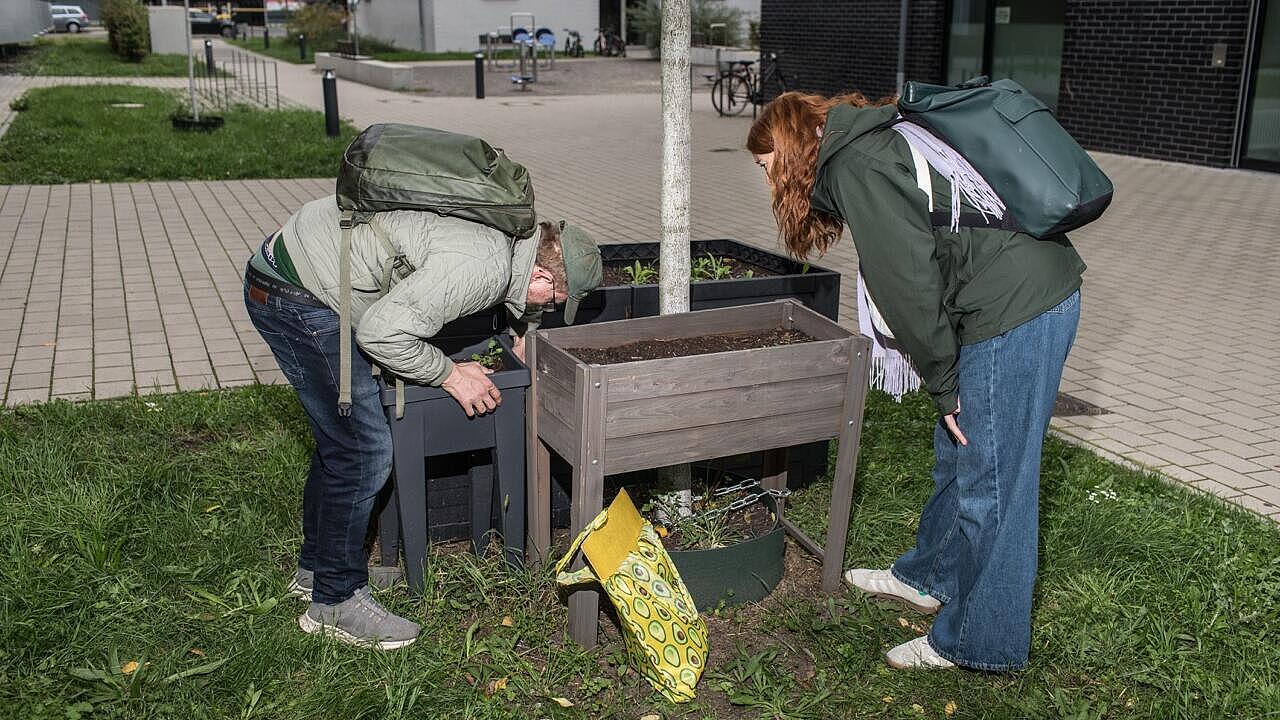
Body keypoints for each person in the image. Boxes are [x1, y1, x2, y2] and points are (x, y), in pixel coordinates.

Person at [747, 91, 1084, 671]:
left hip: (1019, 308)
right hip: (1003, 298)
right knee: (957, 456)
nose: (764, 174)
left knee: (994, 487)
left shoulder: (857, 165)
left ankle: (979, 642)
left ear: (791, 147)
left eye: (765, 161)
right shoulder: (864, 144)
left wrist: (944, 383)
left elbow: (908, 284)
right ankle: (930, 576)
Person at [243, 196, 602, 650]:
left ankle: (318, 570)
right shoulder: (481, 269)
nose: (549, 308)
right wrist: (453, 376)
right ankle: (335, 602)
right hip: (296, 296)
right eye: (553, 300)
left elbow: (488, 287)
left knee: (342, 439)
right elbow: (381, 333)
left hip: (295, 261)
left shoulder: (516, 236)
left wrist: (523, 332)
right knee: (364, 451)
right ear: (542, 275)